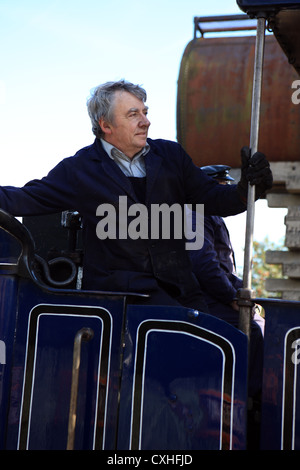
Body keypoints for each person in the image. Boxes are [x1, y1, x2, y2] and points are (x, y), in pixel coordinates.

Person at [0, 80, 273, 313]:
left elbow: (214, 199)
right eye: (133, 115)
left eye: (145, 112)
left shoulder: (171, 156)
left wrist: (249, 188)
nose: (146, 121)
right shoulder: (79, 170)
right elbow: (23, 198)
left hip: (182, 292)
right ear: (106, 125)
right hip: (120, 301)